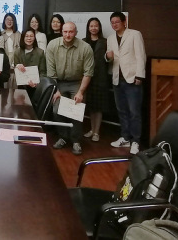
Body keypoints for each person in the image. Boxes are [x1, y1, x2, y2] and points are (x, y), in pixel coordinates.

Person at [47, 21, 94, 155]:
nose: (68, 35)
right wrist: (56, 90)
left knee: (76, 110)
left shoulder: (85, 48)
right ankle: (63, 137)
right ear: (62, 32)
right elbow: (51, 72)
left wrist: (80, 92)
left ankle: (76, 140)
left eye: (71, 32)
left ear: (76, 33)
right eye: (65, 32)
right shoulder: (52, 45)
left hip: (77, 82)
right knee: (56, 109)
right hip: (59, 82)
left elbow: (88, 73)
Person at [106, 12, 146, 155]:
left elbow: (141, 55)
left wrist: (140, 75)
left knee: (134, 112)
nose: (114, 24)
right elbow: (110, 57)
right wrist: (107, 57)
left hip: (132, 78)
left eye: (117, 22)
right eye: (112, 22)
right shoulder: (110, 38)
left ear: (124, 22)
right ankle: (125, 137)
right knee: (121, 110)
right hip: (117, 79)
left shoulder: (135, 34)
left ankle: (136, 141)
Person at [82, 17, 111, 142]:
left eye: (96, 26)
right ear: (88, 28)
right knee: (90, 105)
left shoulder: (105, 42)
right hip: (86, 77)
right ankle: (91, 129)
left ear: (99, 27)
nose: (93, 28)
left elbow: (108, 59)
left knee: (98, 106)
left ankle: (96, 132)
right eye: (91, 26)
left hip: (100, 77)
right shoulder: (83, 41)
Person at [14, 28, 46, 99]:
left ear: (34, 38)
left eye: (31, 36)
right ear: (23, 38)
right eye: (27, 36)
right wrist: (17, 66)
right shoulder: (17, 52)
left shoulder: (40, 52)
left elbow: (43, 72)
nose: (29, 38)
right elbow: (15, 70)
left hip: (35, 86)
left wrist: (37, 83)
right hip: (21, 86)